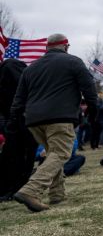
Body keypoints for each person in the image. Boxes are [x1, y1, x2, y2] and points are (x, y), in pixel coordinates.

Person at [8, 34, 98, 212]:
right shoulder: (73, 62)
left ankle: (57, 194)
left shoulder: (31, 68)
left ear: (47, 48)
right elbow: (89, 88)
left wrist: (13, 120)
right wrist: (92, 112)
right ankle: (31, 190)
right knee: (61, 153)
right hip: (60, 117)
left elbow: (18, 99)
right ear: (66, 46)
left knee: (52, 154)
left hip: (34, 120)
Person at [0, 58, 38, 202]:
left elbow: (22, 92)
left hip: (23, 119)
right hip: (15, 120)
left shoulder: (10, 66)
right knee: (12, 155)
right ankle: (10, 188)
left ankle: (16, 188)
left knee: (20, 155)